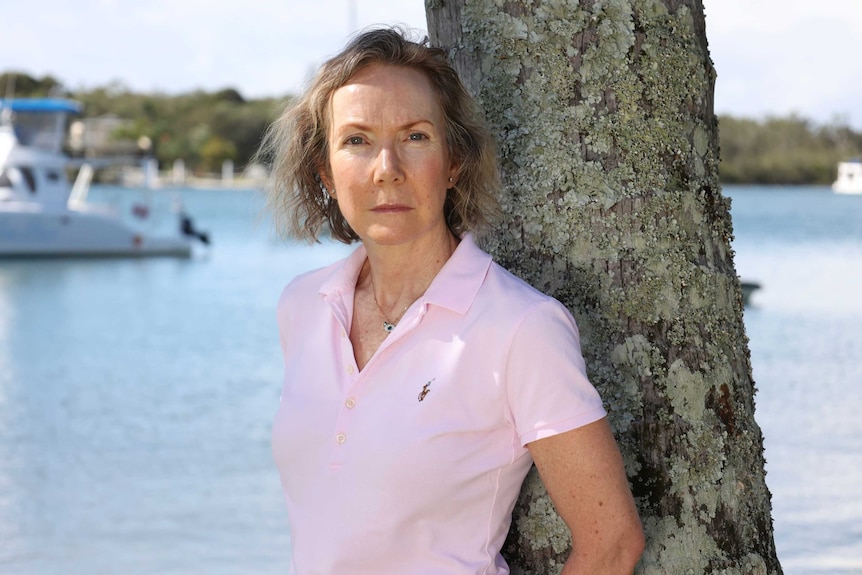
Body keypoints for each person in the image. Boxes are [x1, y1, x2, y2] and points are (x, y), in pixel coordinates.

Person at [262, 27, 644, 575]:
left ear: (454, 162)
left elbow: (612, 542)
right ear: (325, 171)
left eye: (415, 137)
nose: (386, 167)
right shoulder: (302, 306)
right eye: (356, 140)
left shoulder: (521, 327)